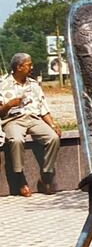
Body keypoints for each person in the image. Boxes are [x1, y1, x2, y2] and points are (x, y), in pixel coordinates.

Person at [0, 53, 61, 196]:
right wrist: (9, 105)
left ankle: (46, 177)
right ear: (18, 67)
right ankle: (19, 178)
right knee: (16, 140)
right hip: (13, 120)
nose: (31, 67)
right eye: (28, 64)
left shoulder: (34, 84)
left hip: (33, 119)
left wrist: (52, 125)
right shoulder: (2, 84)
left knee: (53, 138)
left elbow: (43, 109)